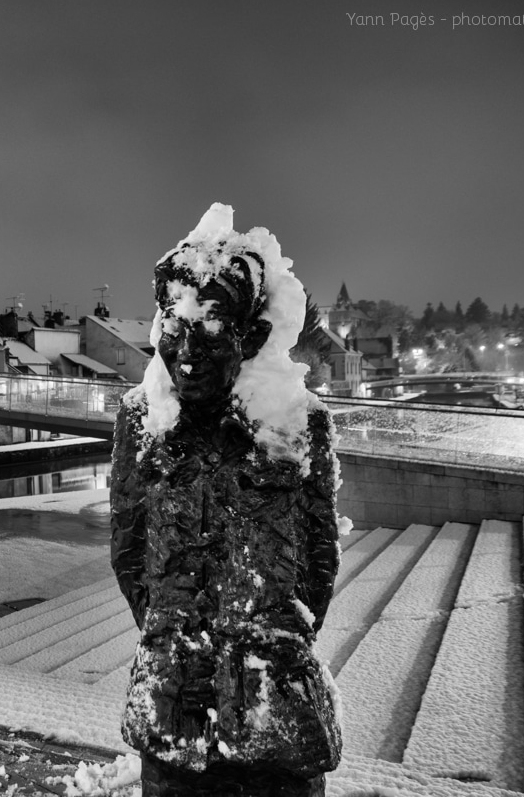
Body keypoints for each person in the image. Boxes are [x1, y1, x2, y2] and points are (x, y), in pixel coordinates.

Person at [110, 205, 343, 797]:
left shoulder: (297, 425)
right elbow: (129, 555)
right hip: (172, 712)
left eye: (211, 323)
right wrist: (175, 637)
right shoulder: (140, 422)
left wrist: (264, 643)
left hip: (276, 716)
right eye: (173, 323)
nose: (185, 350)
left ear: (252, 335)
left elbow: (319, 563)